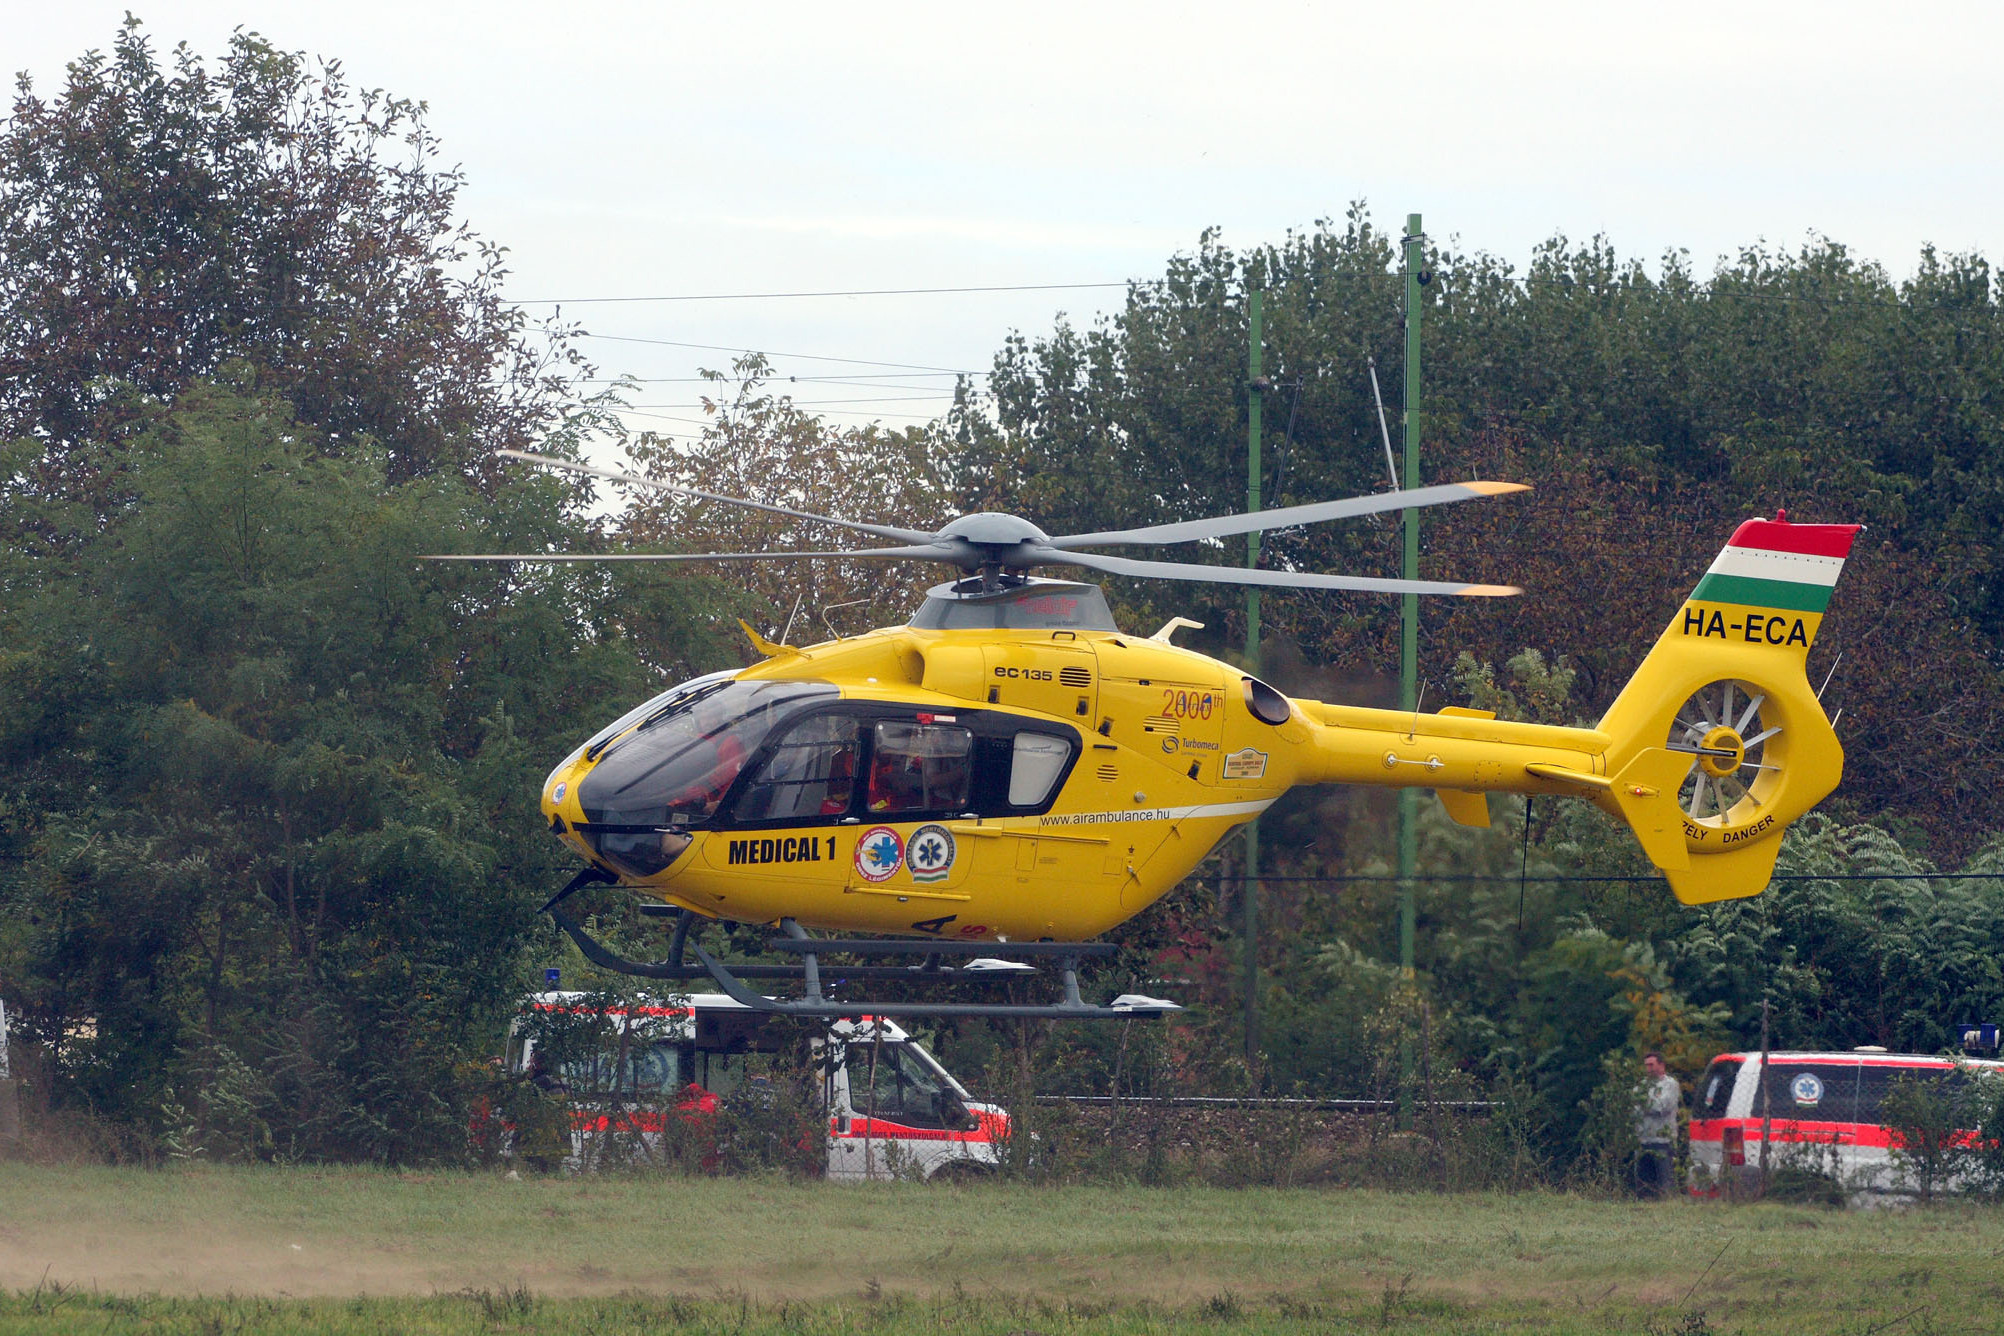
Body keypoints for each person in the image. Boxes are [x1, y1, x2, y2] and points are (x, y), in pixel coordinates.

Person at [1636, 1051, 1681, 1198]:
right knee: (1643, 1184)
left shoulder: (1671, 1085)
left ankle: (1668, 1207)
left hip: (1663, 1140)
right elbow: (1633, 1108)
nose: (1649, 1068)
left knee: (1665, 1181)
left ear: (1661, 1065)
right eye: (1646, 1065)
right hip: (1643, 1140)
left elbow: (1662, 1107)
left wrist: (1644, 1103)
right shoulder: (1641, 1085)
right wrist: (1648, 1104)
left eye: (1652, 1065)